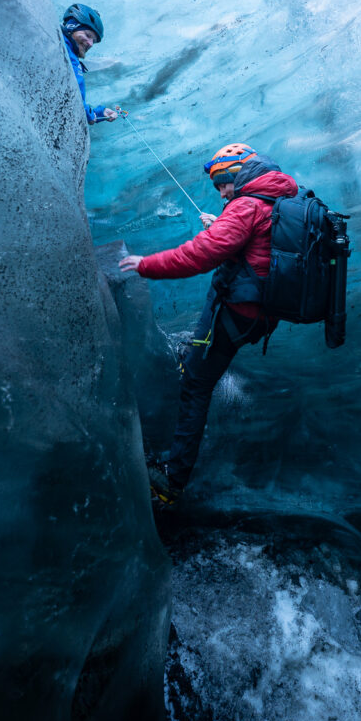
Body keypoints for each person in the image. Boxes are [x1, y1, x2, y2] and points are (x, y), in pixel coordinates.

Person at [119, 143, 298, 504]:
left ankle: (173, 478)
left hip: (239, 313)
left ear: (239, 175)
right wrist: (223, 226)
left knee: (197, 385)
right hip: (264, 312)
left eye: (223, 183)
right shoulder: (278, 196)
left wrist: (145, 265)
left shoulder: (245, 205)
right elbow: (262, 244)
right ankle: (194, 356)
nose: (221, 192)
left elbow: (199, 256)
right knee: (200, 357)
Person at [61, 3, 118, 125]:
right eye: (88, 35)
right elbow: (74, 102)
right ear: (72, 26)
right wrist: (92, 114)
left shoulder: (65, 52)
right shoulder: (66, 53)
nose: (91, 44)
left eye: (94, 41)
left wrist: (97, 113)